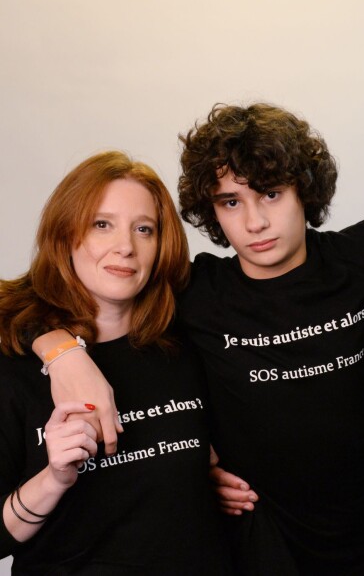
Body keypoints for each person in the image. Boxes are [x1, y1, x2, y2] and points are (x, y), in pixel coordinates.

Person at [27, 105, 364, 575]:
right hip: (255, 540)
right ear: (211, 211)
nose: (255, 221)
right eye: (230, 202)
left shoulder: (361, 257)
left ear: (303, 191)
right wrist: (61, 351)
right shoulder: (198, 291)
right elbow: (47, 295)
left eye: (270, 194)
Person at [0, 152, 232, 574]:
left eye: (144, 229)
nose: (125, 246)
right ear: (66, 234)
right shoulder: (12, 366)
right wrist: (52, 480)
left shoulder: (187, 343)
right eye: (101, 224)